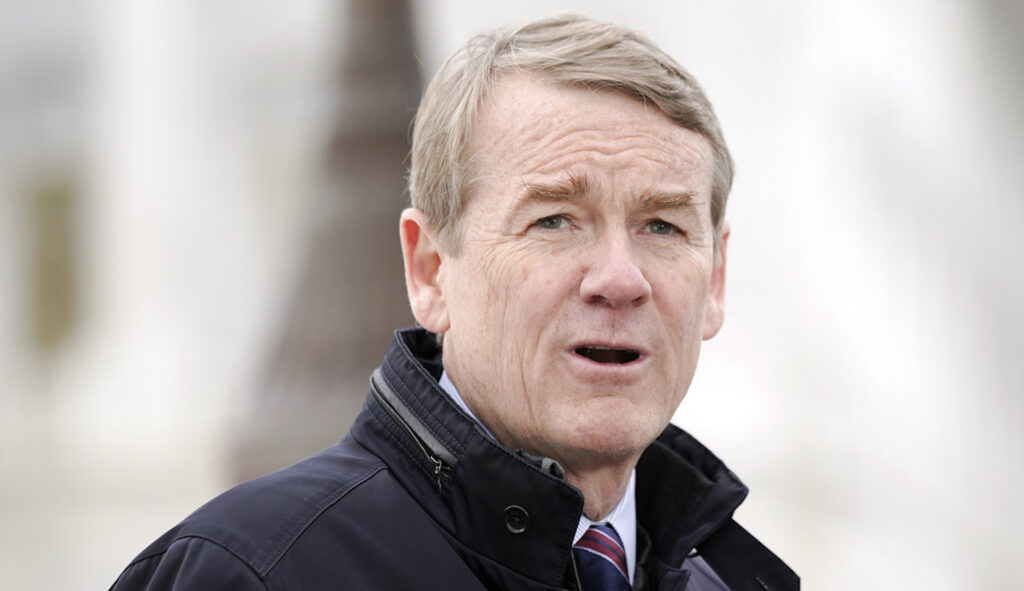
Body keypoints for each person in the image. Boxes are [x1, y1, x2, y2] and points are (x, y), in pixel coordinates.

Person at [111, 14, 798, 591]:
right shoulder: (250, 573)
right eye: (555, 219)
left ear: (714, 281)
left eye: (662, 226)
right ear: (431, 269)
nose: (619, 278)